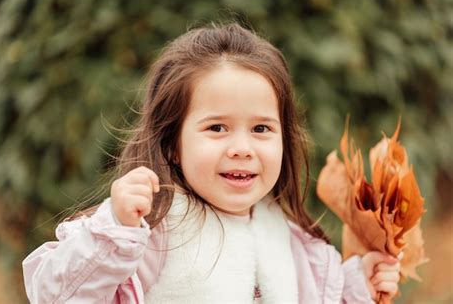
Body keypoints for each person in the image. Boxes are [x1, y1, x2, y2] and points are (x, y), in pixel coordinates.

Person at [23, 23, 401, 303]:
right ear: (172, 143)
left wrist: (356, 288)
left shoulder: (296, 247)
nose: (242, 147)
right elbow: (54, 295)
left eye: (261, 128)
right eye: (217, 127)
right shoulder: (149, 234)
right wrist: (113, 233)